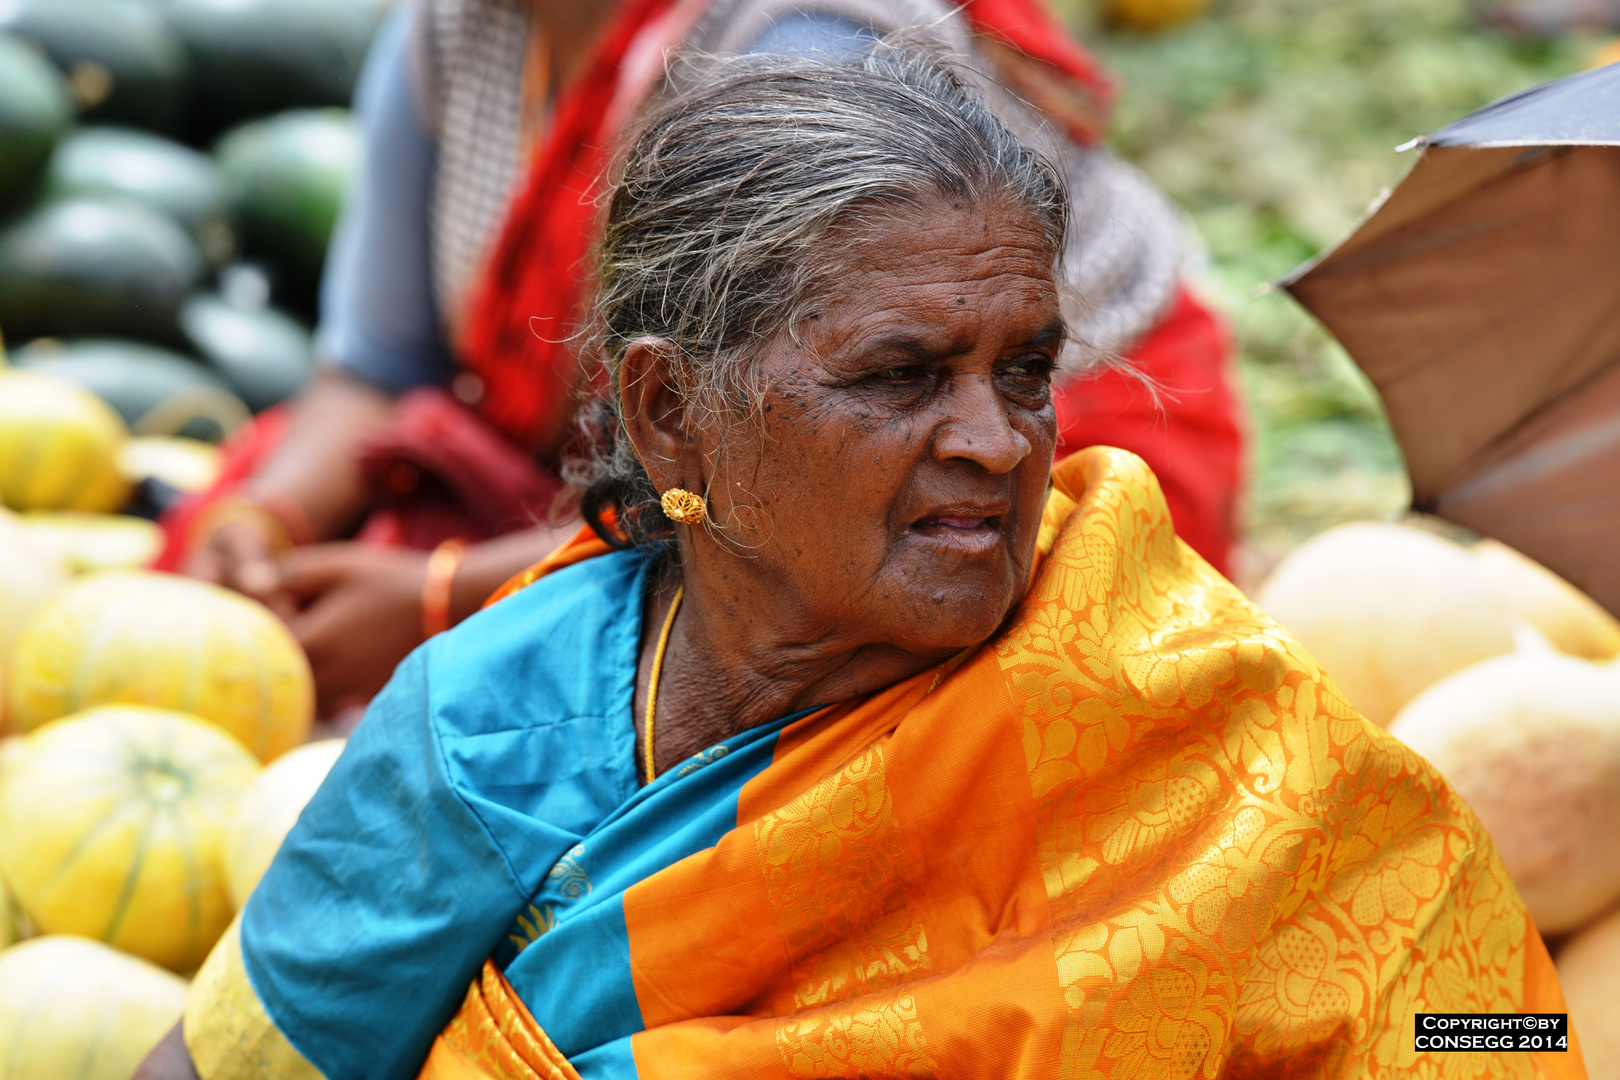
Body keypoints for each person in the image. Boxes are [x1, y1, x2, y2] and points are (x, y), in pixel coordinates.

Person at [140, 48, 1577, 1080]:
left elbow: (1488, 1027)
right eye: (900, 376)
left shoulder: (1189, 713)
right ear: (668, 410)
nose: (996, 444)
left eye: (1024, 371)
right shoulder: (489, 738)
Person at [161, 0, 1243, 719]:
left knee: (865, 691)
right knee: (242, 522)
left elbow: (776, 483)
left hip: (925, 440)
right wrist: (268, 520)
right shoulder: (458, 27)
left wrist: (436, 600)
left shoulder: (798, 45)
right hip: (690, 450)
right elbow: (381, 364)